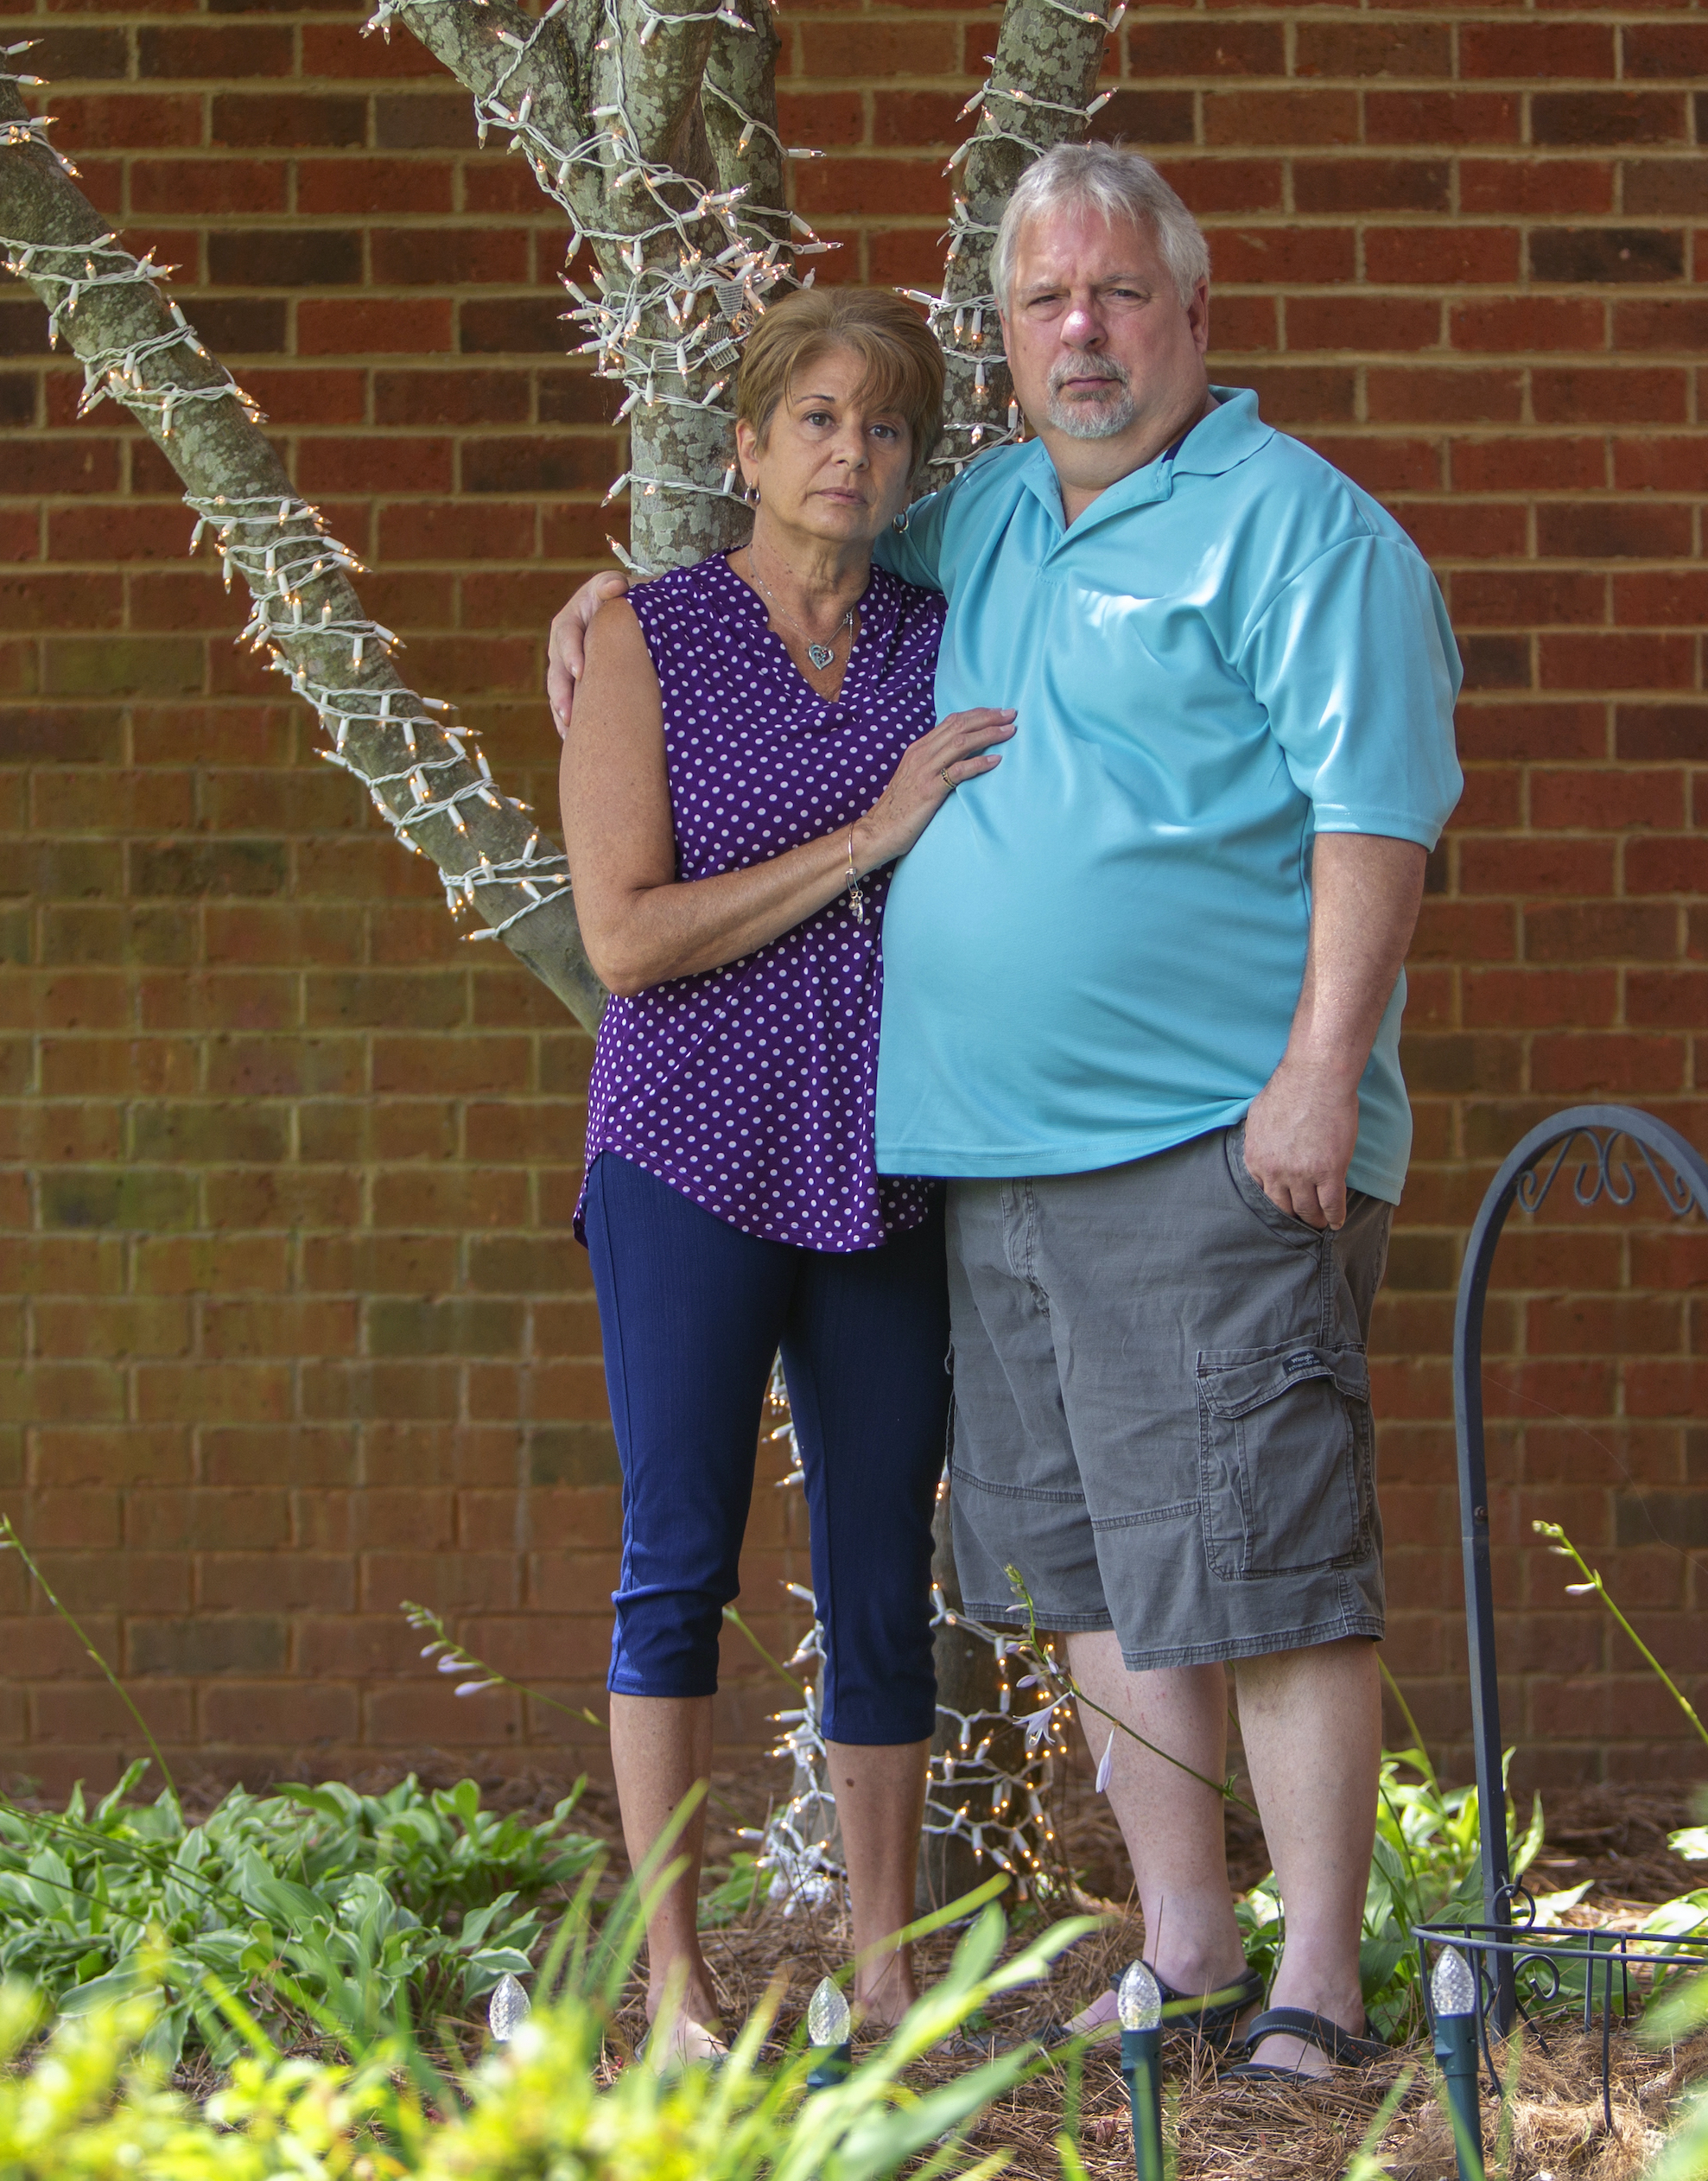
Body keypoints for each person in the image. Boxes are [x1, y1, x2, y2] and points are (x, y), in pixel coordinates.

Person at [549, 144, 1462, 2086]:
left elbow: (1377, 810)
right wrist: (599, 609)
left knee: (1264, 1556)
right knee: (1097, 1572)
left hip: (1209, 1141)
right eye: (1045, 302)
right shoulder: (987, 527)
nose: (1083, 331)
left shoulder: (1299, 531)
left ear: (1193, 317)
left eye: (1119, 294)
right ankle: (1191, 1953)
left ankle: (1318, 1980)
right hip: (979, 1167)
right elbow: (784, 543)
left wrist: (1319, 1069)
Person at [556, 283, 1016, 2058]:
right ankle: (678, 1985)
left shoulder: (943, 632)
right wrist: (877, 832)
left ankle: (883, 1972)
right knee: (677, 1553)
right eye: (817, 417)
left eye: (885, 424)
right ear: (743, 448)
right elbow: (628, 937)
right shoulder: (650, 640)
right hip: (689, 1141)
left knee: (883, 1561)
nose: (852, 451)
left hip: (887, 1148)